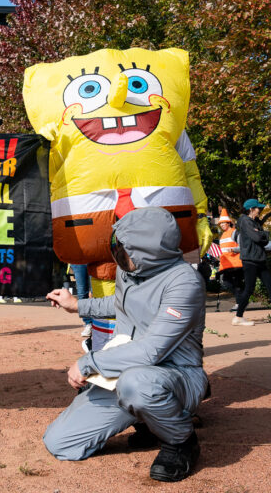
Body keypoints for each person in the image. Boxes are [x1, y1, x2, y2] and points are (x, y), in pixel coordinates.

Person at [43, 207, 208, 483]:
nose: (117, 252)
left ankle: (181, 440)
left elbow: (151, 350)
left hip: (173, 374)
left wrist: (88, 362)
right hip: (125, 372)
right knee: (60, 443)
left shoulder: (184, 282)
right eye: (116, 244)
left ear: (148, 248)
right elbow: (120, 303)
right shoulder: (131, 270)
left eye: (123, 247)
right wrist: (76, 305)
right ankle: (146, 419)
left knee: (138, 385)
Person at [232, 199, 271, 326]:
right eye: (258, 208)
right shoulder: (245, 220)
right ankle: (238, 317)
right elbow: (257, 238)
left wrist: (262, 234)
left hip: (259, 259)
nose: (259, 211)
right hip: (250, 260)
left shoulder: (255, 222)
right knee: (249, 289)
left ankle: (238, 317)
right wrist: (262, 234)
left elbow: (263, 239)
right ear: (251, 209)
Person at [215, 209, 243, 312]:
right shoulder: (222, 236)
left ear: (228, 223)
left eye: (223, 223)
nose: (222, 225)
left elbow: (242, 246)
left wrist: (233, 249)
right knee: (227, 282)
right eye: (220, 224)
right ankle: (241, 301)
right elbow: (223, 250)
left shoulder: (234, 232)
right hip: (226, 264)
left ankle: (239, 303)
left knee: (236, 284)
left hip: (236, 263)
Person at [70, 264, 93, 338]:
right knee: (82, 293)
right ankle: (88, 323)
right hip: (78, 260)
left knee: (96, 292)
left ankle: (99, 323)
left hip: (94, 258)